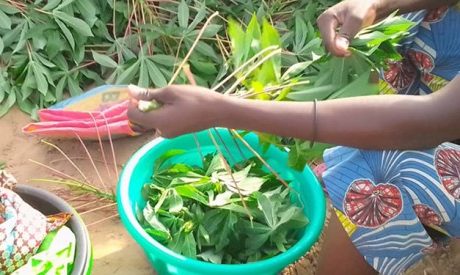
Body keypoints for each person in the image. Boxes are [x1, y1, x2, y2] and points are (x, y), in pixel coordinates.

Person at [126, 0, 460, 274]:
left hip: (442, 118)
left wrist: (223, 111)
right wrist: (380, 5)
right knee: (411, 27)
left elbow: (429, 123)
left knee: (383, 168)